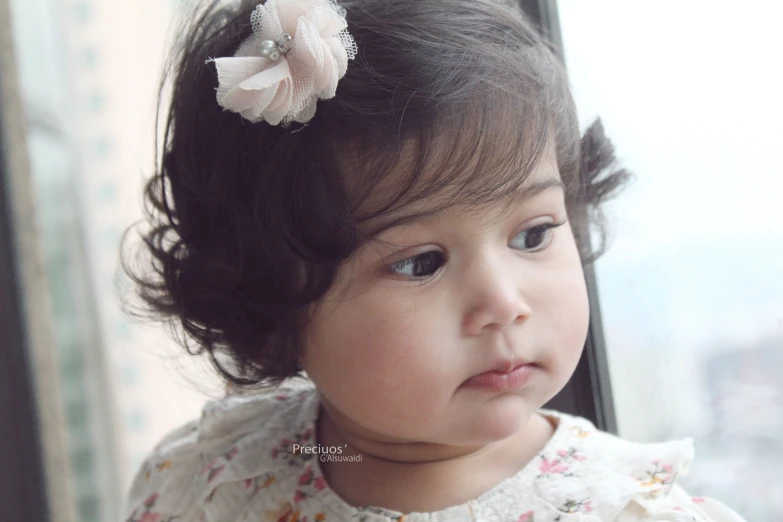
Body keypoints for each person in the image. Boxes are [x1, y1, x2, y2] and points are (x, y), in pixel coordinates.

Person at [119, 0, 747, 520]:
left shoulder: (624, 510)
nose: (504, 303)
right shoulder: (211, 480)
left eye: (533, 235)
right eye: (421, 263)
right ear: (269, 295)